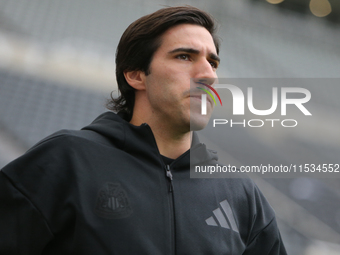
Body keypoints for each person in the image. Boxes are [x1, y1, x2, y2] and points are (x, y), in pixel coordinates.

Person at [0, 6, 287, 254]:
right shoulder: (65, 160)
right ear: (136, 75)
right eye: (185, 56)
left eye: (212, 62)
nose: (208, 75)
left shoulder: (241, 194)